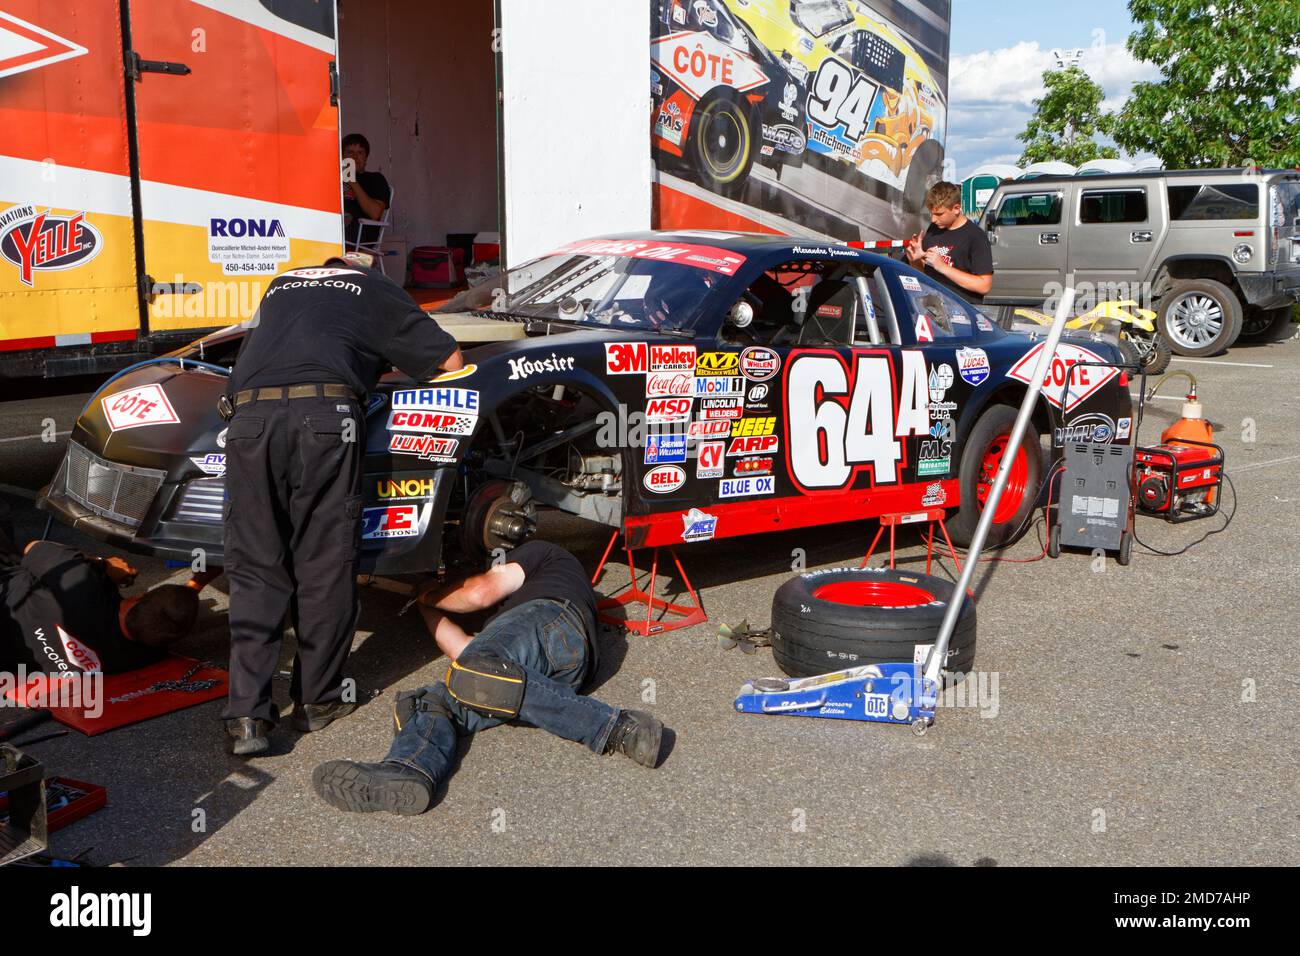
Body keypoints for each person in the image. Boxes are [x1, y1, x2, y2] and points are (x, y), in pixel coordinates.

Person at [220, 254, 463, 756]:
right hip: (325, 422)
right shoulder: (370, 286)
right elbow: (451, 362)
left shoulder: (283, 284)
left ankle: (247, 718)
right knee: (323, 562)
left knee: (256, 568)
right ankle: (317, 700)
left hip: (247, 422)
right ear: (368, 269)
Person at [312, 540, 666, 816]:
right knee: (434, 700)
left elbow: (480, 592)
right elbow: (462, 653)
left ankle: (618, 726)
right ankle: (409, 769)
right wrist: (426, 605)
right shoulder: (506, 628)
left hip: (553, 618)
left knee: (477, 669)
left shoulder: (544, 556)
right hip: (554, 677)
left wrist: (429, 591)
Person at [1, 536, 202, 677]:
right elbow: (168, 619)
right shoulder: (146, 655)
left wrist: (102, 565)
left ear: (137, 598)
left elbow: (33, 548)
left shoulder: (81, 585)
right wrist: (196, 583)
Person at [905, 181, 994, 303]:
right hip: (933, 308)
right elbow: (926, 273)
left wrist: (943, 267)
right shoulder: (933, 229)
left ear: (956, 208)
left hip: (962, 313)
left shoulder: (976, 237)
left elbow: (984, 286)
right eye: (931, 213)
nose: (933, 219)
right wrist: (915, 261)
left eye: (939, 214)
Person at [342, 133, 391, 249]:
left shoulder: (375, 179)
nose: (355, 157)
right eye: (350, 152)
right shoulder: (332, 178)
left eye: (360, 153)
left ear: (366, 158)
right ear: (342, 156)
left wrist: (352, 181)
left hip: (359, 236)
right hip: (332, 232)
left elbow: (375, 213)